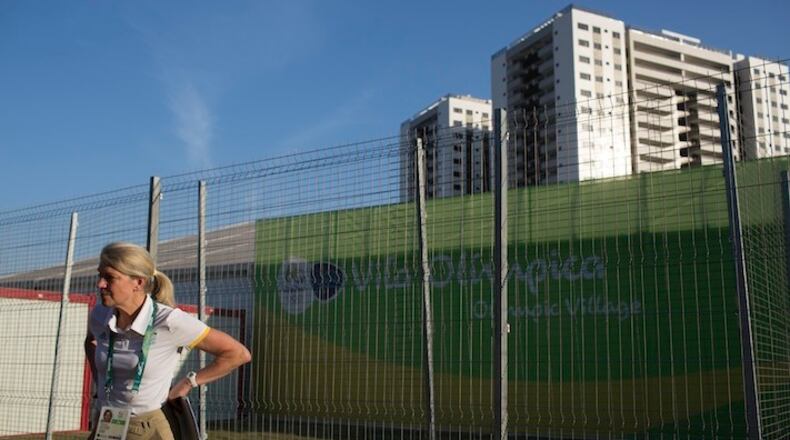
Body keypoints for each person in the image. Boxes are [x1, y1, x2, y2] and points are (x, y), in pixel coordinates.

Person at [84, 242, 251, 440]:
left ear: (138, 282)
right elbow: (91, 342)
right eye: (100, 275)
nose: (100, 284)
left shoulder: (169, 321)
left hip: (147, 428)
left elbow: (237, 354)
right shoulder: (100, 314)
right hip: (108, 422)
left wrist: (189, 382)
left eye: (109, 278)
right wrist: (101, 378)